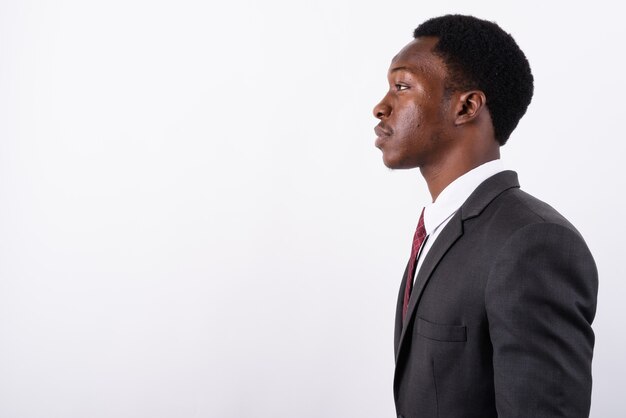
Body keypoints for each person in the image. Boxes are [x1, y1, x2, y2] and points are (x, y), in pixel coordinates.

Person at [373, 15, 598, 418]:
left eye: (402, 86)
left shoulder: (533, 242)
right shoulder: (440, 230)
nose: (380, 107)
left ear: (467, 106)